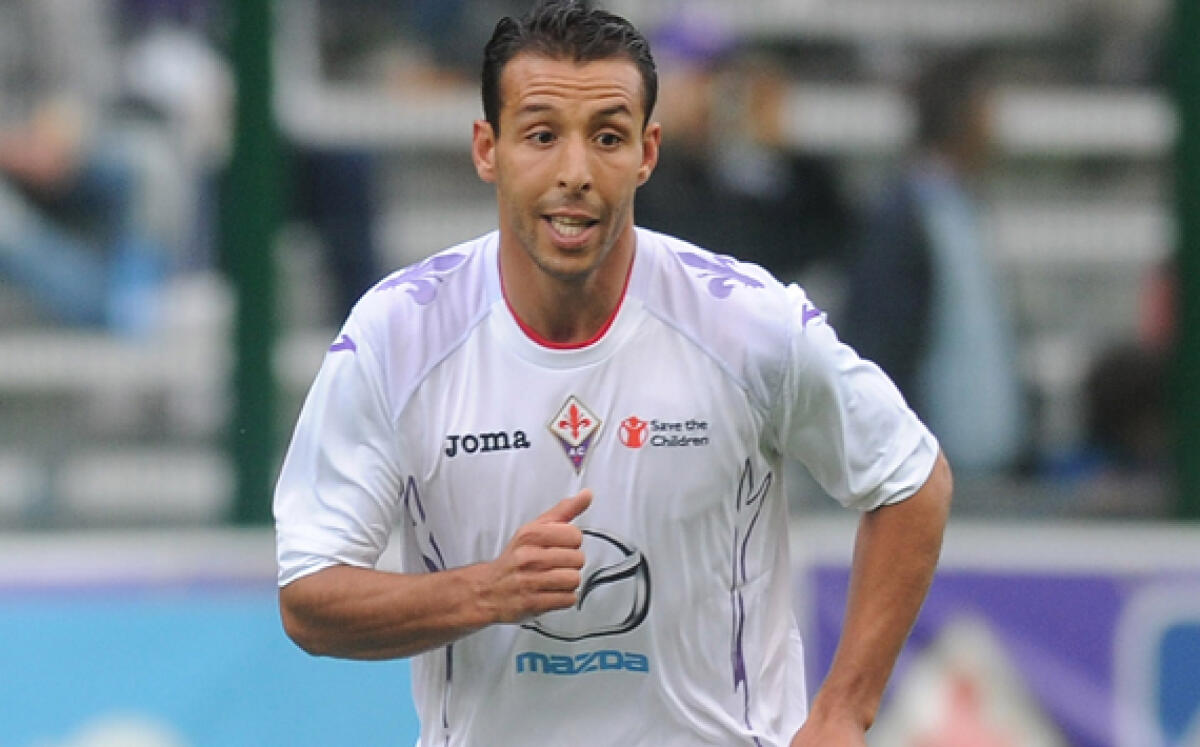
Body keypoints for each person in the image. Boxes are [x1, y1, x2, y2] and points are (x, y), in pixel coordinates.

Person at [274, 2, 952, 745]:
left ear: (647, 151)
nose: (576, 173)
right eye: (540, 136)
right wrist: (485, 590)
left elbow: (910, 478)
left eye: (607, 137)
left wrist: (843, 710)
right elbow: (309, 597)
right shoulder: (399, 334)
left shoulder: (746, 323)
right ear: (486, 149)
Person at [838, 52, 1025, 475]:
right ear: (960, 114)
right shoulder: (903, 218)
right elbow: (881, 344)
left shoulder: (963, 209)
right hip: (932, 468)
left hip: (980, 465)